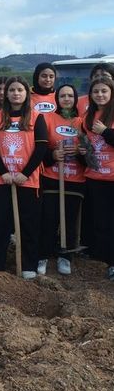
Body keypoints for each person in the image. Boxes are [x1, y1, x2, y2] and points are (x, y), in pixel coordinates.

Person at [0, 76, 47, 278]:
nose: (16, 93)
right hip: (2, 179)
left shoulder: (36, 117)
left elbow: (41, 147)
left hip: (28, 181)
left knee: (29, 224)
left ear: (26, 93)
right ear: (6, 94)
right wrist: (4, 172)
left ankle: (28, 265)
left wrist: (24, 174)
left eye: (20, 90)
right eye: (12, 90)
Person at [39, 84, 84, 275]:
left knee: (70, 219)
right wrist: (52, 155)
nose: (66, 99)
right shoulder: (47, 118)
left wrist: (79, 152)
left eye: (70, 96)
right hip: (51, 177)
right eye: (63, 96)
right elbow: (40, 149)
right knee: (48, 218)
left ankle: (65, 255)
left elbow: (89, 154)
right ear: (57, 99)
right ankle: (43, 254)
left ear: (75, 99)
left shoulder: (82, 122)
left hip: (75, 179)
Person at [82, 76, 114, 280]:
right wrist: (82, 151)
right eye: (96, 92)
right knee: (100, 222)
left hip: (113, 177)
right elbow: (87, 144)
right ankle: (104, 258)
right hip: (95, 176)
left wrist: (106, 132)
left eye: (104, 91)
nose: (100, 95)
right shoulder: (87, 116)